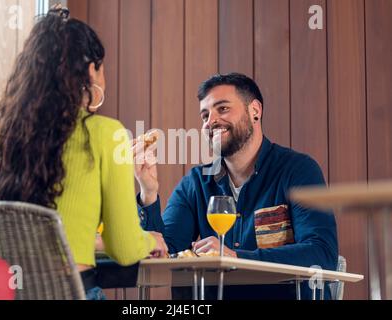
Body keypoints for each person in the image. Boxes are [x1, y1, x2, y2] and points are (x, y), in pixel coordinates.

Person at [0, 5, 168, 300]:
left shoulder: (1, 143)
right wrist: (149, 239)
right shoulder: (107, 134)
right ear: (91, 70)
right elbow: (125, 247)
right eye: (102, 66)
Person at [134, 73, 338, 300]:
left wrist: (236, 258)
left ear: (255, 111)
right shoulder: (195, 183)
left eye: (222, 109)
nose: (210, 121)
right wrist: (148, 192)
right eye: (204, 115)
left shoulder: (299, 170)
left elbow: (321, 254)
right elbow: (164, 253)